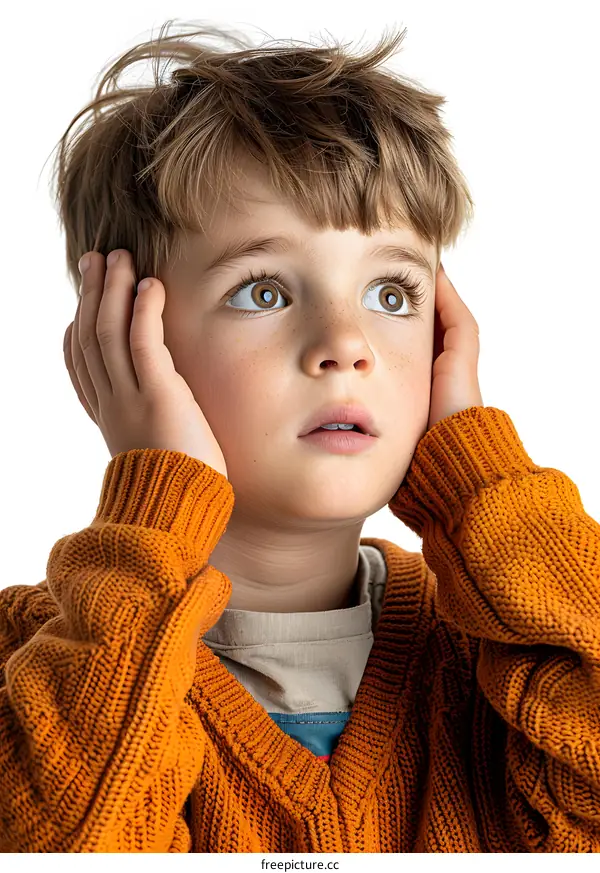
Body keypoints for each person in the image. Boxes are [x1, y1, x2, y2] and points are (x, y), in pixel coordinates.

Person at [1, 19, 599, 853]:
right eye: (264, 291)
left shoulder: (506, 661)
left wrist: (480, 481)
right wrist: (156, 506)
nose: (346, 343)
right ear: (123, 339)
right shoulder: (33, 662)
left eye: (392, 294)